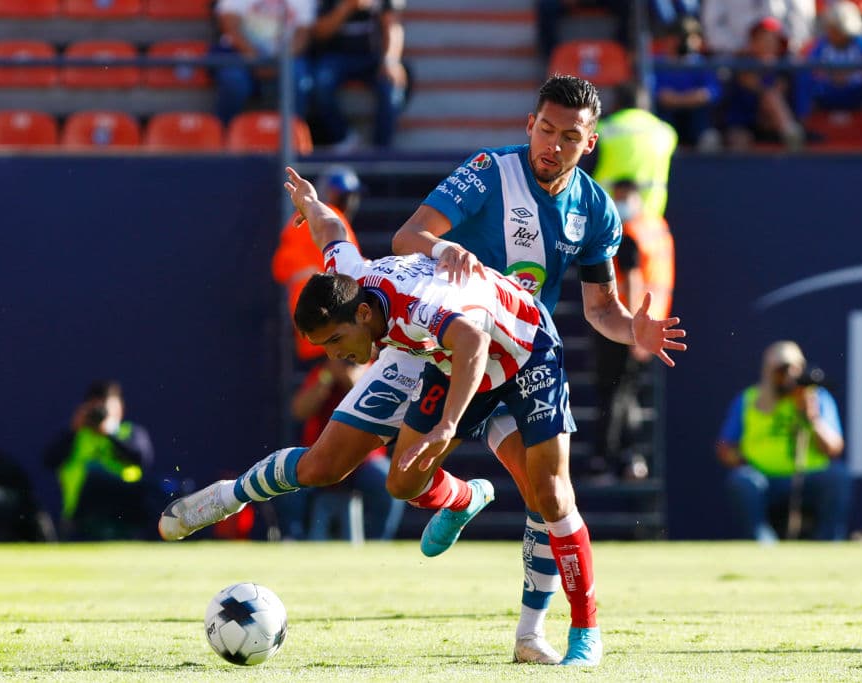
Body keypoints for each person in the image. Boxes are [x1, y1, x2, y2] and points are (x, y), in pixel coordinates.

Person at [160, 75, 687, 666]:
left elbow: (592, 312)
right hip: (441, 349)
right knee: (378, 475)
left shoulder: (594, 210)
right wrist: (329, 212)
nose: (553, 144)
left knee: (548, 491)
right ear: (529, 125)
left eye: (569, 136)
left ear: (588, 143)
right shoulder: (487, 173)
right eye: (545, 129)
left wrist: (630, 328)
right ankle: (451, 498)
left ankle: (560, 634)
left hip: (521, 345)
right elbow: (375, 239)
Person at [716, 341, 851, 542]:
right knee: (742, 481)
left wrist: (812, 418)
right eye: (781, 370)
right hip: (764, 479)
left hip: (809, 477)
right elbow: (725, 448)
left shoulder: (817, 397)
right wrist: (746, 459)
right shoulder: (749, 399)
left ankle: (828, 543)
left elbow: (834, 448)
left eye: (794, 368)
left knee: (838, 476)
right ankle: (762, 543)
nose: (788, 376)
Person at [589, 179, 674, 479]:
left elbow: (635, 279)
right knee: (627, 390)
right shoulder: (657, 228)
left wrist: (634, 330)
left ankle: (610, 457)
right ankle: (629, 456)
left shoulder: (630, 232)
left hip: (623, 324)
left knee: (614, 391)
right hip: (646, 325)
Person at [274, 357, 405, 540]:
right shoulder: (323, 372)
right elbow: (299, 410)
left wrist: (348, 378)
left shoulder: (376, 371)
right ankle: (293, 540)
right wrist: (327, 377)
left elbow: (374, 406)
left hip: (362, 459)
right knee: (288, 483)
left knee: (389, 484)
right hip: (321, 455)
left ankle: (378, 544)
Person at [272, 165, 363, 362]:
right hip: (330, 313)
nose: (349, 202)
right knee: (342, 372)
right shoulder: (333, 220)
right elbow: (353, 269)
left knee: (325, 379)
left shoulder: (303, 220)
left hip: (308, 314)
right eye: (344, 196)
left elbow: (280, 269)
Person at [44, 381, 156, 540]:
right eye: (95, 407)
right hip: (80, 521)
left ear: (120, 409)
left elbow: (142, 459)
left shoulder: (129, 432)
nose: (100, 412)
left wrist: (109, 432)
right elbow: (49, 460)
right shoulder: (76, 436)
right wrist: (74, 429)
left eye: (105, 407)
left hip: (125, 518)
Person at [309, 0, 407, 149]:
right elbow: (320, 32)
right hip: (336, 57)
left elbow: (393, 25)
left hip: (373, 58)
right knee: (320, 82)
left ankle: (382, 151)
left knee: (392, 87)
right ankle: (343, 137)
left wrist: (390, 60)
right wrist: (347, 7)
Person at [211, 0, 315, 125]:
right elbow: (230, 27)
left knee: (298, 77)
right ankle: (223, 133)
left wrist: (280, 60)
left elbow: (303, 35)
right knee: (233, 80)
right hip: (241, 54)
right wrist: (255, 58)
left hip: (285, 58)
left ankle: (294, 135)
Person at [592, 84, 678, 219]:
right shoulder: (666, 132)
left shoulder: (600, 130)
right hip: (650, 219)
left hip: (603, 218)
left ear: (616, 104)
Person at [721, 16, 806, 150]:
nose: (769, 44)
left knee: (772, 96)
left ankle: (792, 135)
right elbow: (756, 84)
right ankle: (790, 131)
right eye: (764, 39)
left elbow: (781, 89)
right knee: (738, 140)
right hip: (745, 122)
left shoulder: (785, 66)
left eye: (773, 40)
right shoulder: (743, 63)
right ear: (753, 42)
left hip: (773, 124)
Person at [654, 16, 723, 150]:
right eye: (682, 37)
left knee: (703, 120)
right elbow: (661, 96)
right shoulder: (656, 63)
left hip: (696, 118)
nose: (687, 42)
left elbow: (711, 93)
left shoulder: (702, 63)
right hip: (667, 117)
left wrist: (679, 99)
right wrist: (689, 98)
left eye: (694, 37)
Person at [799, 1, 862, 117]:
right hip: (827, 91)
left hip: (856, 92)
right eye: (833, 28)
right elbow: (810, 65)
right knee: (803, 74)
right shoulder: (822, 44)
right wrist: (831, 75)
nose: (836, 33)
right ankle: (804, 121)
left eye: (839, 29)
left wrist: (849, 75)